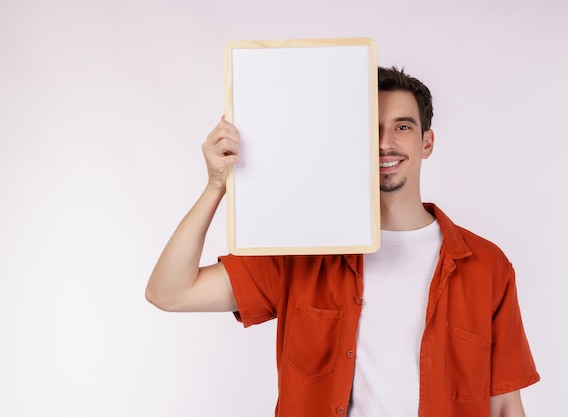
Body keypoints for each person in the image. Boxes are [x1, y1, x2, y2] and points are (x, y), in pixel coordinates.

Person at [146, 66, 540, 417]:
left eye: (402, 127)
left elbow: (505, 405)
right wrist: (216, 185)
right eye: (371, 129)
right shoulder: (303, 254)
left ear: (427, 142)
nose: (386, 143)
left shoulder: (486, 265)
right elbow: (170, 292)